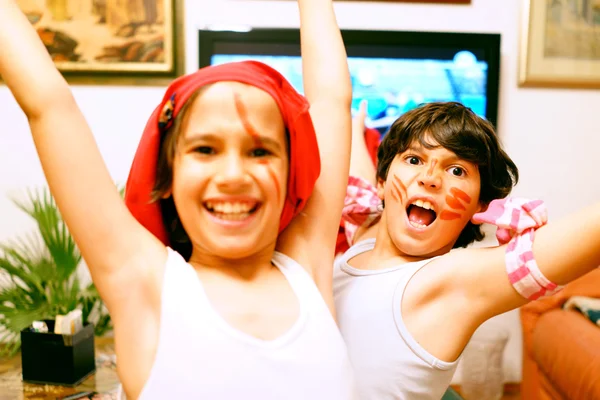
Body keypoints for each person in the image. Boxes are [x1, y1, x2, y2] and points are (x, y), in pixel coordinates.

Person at [0, 0, 356, 398]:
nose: (234, 176)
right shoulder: (145, 283)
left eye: (260, 152)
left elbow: (330, 100)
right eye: (205, 150)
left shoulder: (307, 269)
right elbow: (48, 103)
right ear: (167, 174)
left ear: (293, 174)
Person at [334, 101, 600, 399]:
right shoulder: (365, 234)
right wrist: (354, 124)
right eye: (413, 160)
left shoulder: (447, 284)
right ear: (382, 182)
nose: (430, 177)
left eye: (457, 170)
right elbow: (359, 170)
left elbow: (582, 237)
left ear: (480, 206)